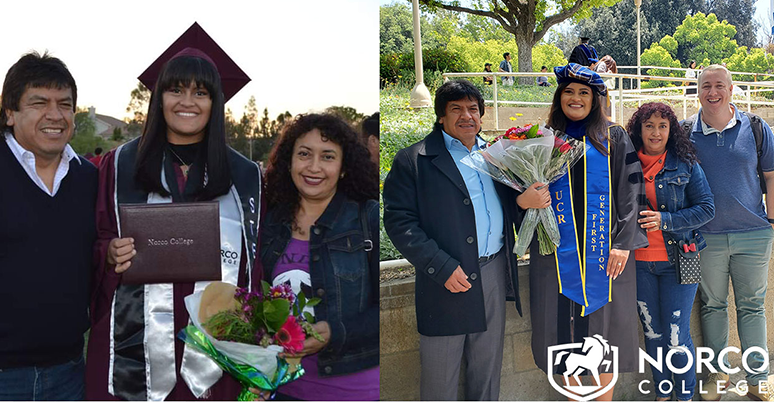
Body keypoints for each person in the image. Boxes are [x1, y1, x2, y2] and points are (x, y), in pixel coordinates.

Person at [85, 23, 261, 400]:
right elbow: (93, 239)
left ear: (215, 103)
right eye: (176, 89)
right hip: (134, 342)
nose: (187, 101)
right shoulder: (119, 165)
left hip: (217, 352)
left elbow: (254, 264)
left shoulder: (244, 175)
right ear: (159, 97)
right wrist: (109, 252)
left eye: (201, 92)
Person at [383, 79, 549, 400]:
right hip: (446, 280)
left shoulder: (496, 155)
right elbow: (399, 221)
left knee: (487, 374)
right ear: (441, 117)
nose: (466, 116)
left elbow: (507, 208)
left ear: (482, 115)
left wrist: (524, 201)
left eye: (473, 109)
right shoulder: (414, 160)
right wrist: (440, 267)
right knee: (439, 382)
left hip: (493, 274)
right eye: (456, 109)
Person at [0, 52, 97, 400]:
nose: (55, 115)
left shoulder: (89, 178)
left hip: (69, 375)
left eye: (65, 104)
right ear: (10, 113)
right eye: (39, 102)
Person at [530, 63, 648, 401]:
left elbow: (631, 194)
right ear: (559, 96)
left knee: (603, 338)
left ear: (597, 99)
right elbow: (522, 189)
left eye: (584, 92)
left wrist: (624, 243)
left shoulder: (613, 136)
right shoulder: (541, 139)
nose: (576, 98)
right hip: (556, 255)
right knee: (563, 337)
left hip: (606, 255)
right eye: (569, 91)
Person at [257, 113, 379, 400]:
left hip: (354, 390)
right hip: (284, 389)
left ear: (344, 167)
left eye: (327, 157)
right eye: (304, 154)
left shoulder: (367, 217)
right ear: (289, 161)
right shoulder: (269, 221)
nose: (314, 167)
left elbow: (381, 311)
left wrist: (334, 331)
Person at [685, 64, 774, 401]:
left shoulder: (755, 127)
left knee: (752, 307)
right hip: (706, 237)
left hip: (753, 234)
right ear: (697, 91)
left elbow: (771, 176)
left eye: (719, 85)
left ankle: (757, 379)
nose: (712, 92)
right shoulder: (685, 132)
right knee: (713, 305)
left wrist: (772, 223)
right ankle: (717, 376)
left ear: (731, 89)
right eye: (705, 86)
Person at [626, 102, 715, 402]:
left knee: (677, 335)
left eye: (662, 126)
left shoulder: (685, 164)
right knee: (653, 333)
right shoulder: (624, 164)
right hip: (638, 264)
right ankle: (664, 393)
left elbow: (707, 208)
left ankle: (685, 394)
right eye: (649, 125)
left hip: (679, 259)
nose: (655, 132)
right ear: (639, 129)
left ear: (671, 130)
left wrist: (666, 221)